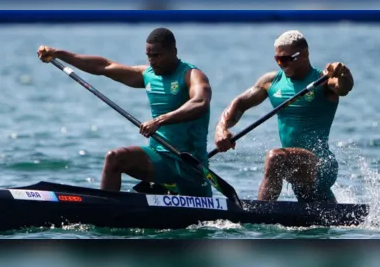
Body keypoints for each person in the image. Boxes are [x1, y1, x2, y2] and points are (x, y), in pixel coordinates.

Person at [37, 27, 213, 197]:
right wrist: (58, 54)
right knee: (114, 158)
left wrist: (159, 121)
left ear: (174, 51)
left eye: (157, 55)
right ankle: (104, 210)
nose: (152, 61)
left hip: (191, 164)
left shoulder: (191, 75)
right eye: (149, 56)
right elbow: (103, 66)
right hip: (160, 158)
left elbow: (200, 102)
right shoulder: (148, 74)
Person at [214, 30, 354, 203]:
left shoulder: (323, 81)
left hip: (321, 165)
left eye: (287, 59)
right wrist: (222, 128)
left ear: (305, 54)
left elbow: (344, 87)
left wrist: (343, 72)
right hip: (295, 166)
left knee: (275, 158)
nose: (282, 64)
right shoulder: (271, 82)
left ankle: (260, 215)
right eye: (278, 59)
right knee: (316, 206)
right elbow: (240, 104)